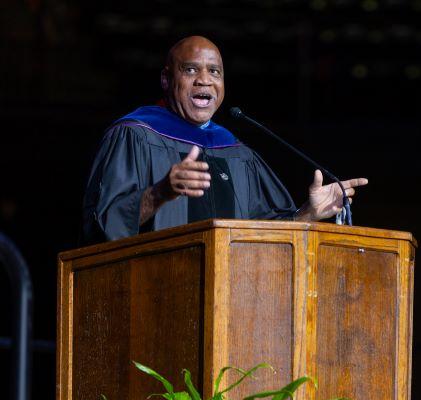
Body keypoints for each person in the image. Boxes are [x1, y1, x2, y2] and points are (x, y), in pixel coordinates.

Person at [81, 36, 367, 244]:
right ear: (167, 80)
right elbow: (102, 225)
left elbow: (262, 233)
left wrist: (308, 213)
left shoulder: (235, 153)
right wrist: (161, 192)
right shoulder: (135, 135)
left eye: (214, 71)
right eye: (191, 70)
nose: (204, 80)